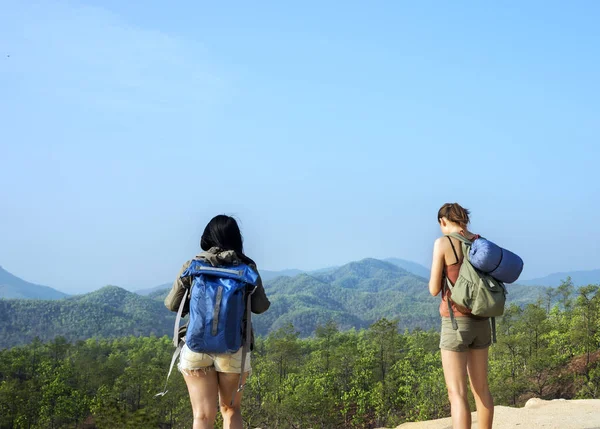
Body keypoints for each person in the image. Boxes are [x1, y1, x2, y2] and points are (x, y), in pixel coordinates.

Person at [164, 215, 270, 429]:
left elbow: (172, 304)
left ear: (207, 236)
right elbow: (260, 307)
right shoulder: (246, 267)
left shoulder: (192, 265)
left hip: (196, 345)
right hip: (233, 347)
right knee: (231, 410)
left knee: (202, 416)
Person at [428, 203, 494, 429]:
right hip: (483, 321)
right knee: (482, 389)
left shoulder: (443, 243)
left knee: (456, 393)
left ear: (443, 221)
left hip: (456, 323)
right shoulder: (479, 242)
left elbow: (434, 289)